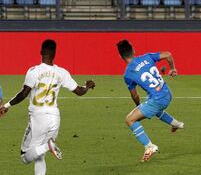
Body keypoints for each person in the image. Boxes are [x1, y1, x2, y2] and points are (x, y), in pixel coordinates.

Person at [0, 39, 95, 175]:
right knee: (39, 156)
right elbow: (79, 91)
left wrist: (7, 105)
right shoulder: (62, 72)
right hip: (54, 118)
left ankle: (47, 146)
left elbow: (23, 94)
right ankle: (47, 146)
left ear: (41, 52)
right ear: (55, 54)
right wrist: (87, 86)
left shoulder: (34, 71)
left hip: (38, 118)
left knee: (25, 156)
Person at [117, 40, 184, 162]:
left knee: (130, 120)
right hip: (167, 93)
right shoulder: (147, 57)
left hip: (158, 100)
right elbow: (168, 54)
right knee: (153, 108)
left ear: (120, 56)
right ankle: (176, 124)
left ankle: (149, 146)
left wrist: (139, 107)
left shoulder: (128, 74)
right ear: (133, 50)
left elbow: (135, 95)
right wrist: (173, 69)